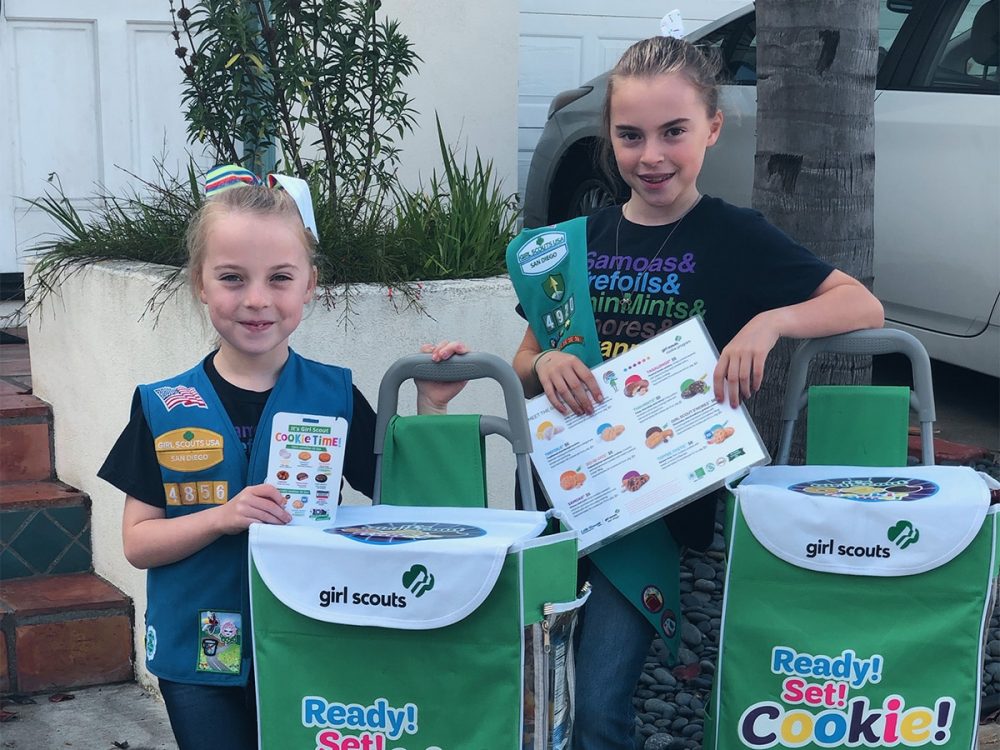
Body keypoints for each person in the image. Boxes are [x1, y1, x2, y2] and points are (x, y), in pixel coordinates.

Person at [508, 36, 884, 750]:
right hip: (560, 497)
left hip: (651, 513)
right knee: (537, 695)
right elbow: (525, 358)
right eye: (630, 135)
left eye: (673, 132)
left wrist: (771, 322)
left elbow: (860, 304)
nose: (651, 155)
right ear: (608, 138)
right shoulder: (572, 244)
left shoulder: (735, 236)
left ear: (712, 127)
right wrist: (546, 363)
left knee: (597, 706)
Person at [98, 170, 468, 750]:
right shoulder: (163, 405)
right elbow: (138, 542)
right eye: (231, 278)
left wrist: (429, 407)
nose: (256, 299)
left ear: (309, 286)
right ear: (200, 282)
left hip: (310, 639)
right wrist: (222, 517)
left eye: (279, 278)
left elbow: (401, 504)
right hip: (196, 655)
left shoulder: (334, 394)